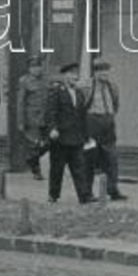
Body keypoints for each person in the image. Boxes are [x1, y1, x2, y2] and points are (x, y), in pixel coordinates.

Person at [42, 61, 93, 204]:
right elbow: (50, 112)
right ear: (64, 76)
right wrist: (52, 128)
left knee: (79, 168)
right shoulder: (57, 91)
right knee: (57, 169)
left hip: (76, 137)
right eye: (70, 74)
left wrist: (86, 135)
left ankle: (84, 196)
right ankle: (53, 195)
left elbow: (83, 116)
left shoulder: (79, 93)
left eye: (75, 74)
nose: (73, 77)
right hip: (61, 137)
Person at [83, 60, 126, 200]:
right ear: (94, 72)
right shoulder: (86, 86)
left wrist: (110, 118)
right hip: (92, 122)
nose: (104, 73)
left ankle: (113, 190)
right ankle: (86, 192)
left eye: (106, 70)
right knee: (89, 158)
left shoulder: (113, 86)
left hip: (108, 123)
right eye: (100, 70)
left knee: (111, 158)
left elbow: (116, 105)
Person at [16, 55, 50, 181]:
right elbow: (20, 103)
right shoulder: (24, 81)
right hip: (32, 118)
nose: (37, 69)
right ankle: (36, 172)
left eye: (39, 66)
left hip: (45, 117)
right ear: (29, 69)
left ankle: (30, 159)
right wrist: (21, 121)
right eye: (34, 67)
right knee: (34, 145)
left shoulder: (46, 80)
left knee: (48, 143)